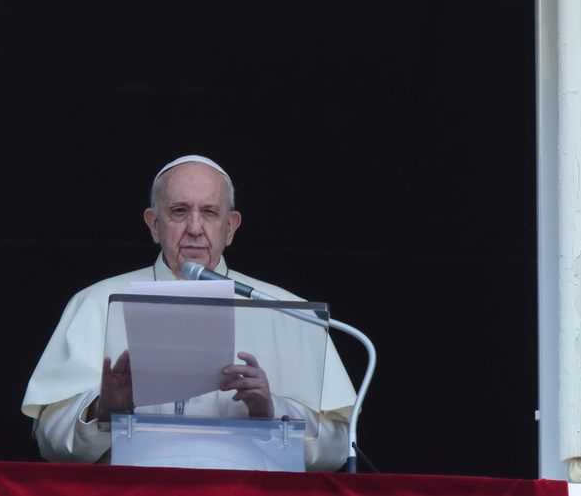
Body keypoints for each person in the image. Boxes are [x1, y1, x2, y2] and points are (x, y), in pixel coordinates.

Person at [22, 155, 356, 471]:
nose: (195, 228)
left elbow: (337, 448)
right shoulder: (95, 302)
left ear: (230, 227)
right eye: (179, 211)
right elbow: (50, 442)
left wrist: (270, 412)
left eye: (210, 212)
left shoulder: (287, 312)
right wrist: (104, 410)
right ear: (154, 224)